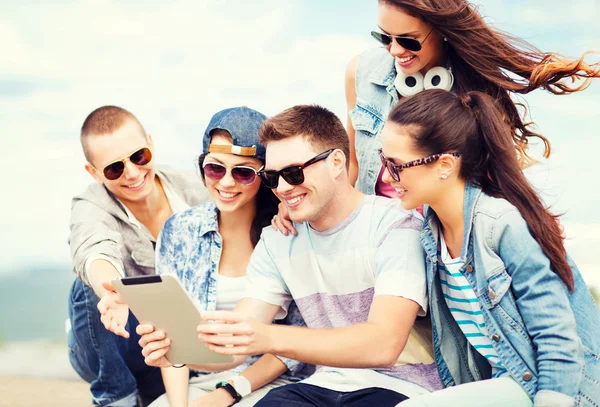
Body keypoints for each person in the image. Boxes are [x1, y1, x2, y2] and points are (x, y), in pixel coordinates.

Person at [138, 105, 443, 407]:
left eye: (293, 173)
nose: (283, 188)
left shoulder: (394, 225)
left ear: (337, 162)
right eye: (272, 177)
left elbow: (384, 344)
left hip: (401, 388)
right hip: (320, 386)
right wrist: (178, 352)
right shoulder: (277, 240)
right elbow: (236, 342)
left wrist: (268, 338)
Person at [378, 89, 600, 406]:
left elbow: (557, 336)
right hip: (505, 384)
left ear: (444, 165)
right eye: (383, 160)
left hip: (558, 389)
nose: (387, 175)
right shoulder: (430, 232)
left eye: (397, 165)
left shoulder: (501, 225)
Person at [346, 0, 600, 196]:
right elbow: (352, 167)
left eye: (408, 41)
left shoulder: (474, 93)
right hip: (375, 241)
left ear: (442, 31)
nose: (395, 50)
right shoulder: (362, 72)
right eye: (384, 37)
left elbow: (496, 179)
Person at [148, 107, 311, 407]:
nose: (225, 183)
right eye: (215, 168)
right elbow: (172, 337)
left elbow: (299, 338)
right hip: (202, 379)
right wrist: (178, 404)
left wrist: (227, 394)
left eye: (243, 172)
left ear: (264, 176)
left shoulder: (287, 233)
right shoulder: (179, 231)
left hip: (276, 381)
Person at [68, 105, 208, 407]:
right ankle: (116, 398)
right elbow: (93, 248)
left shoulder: (196, 189)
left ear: (151, 144)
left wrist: (278, 215)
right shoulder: (90, 206)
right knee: (90, 289)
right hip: (114, 341)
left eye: (139, 156)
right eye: (114, 168)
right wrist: (113, 290)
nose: (132, 173)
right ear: (94, 173)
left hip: (171, 345)